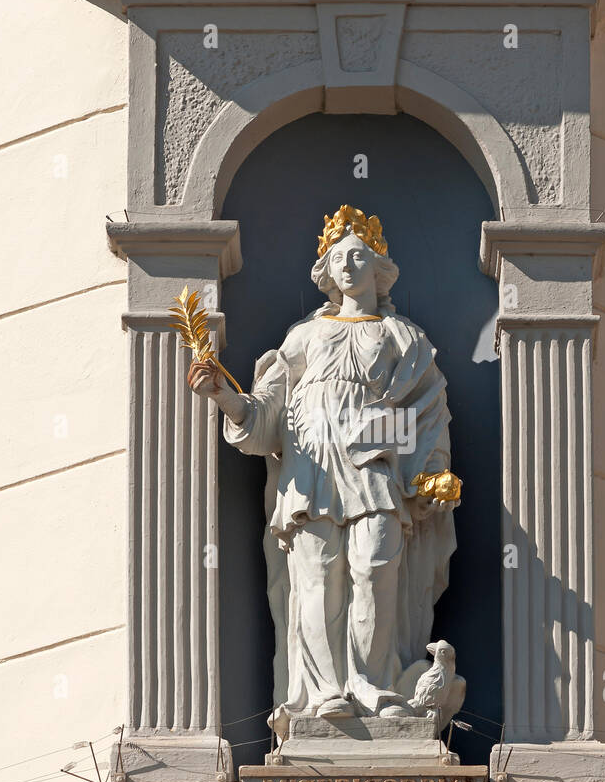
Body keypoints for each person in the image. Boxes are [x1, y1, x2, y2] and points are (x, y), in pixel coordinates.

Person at [188, 205, 459, 721]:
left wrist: (429, 473)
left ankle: (373, 686)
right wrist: (224, 394)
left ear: (378, 267)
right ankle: (323, 692)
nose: (348, 265)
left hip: (376, 474)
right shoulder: (303, 338)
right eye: (339, 258)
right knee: (316, 578)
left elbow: (428, 414)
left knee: (377, 569)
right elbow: (267, 415)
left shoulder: (405, 340)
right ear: (327, 273)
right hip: (310, 471)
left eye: (358, 255)